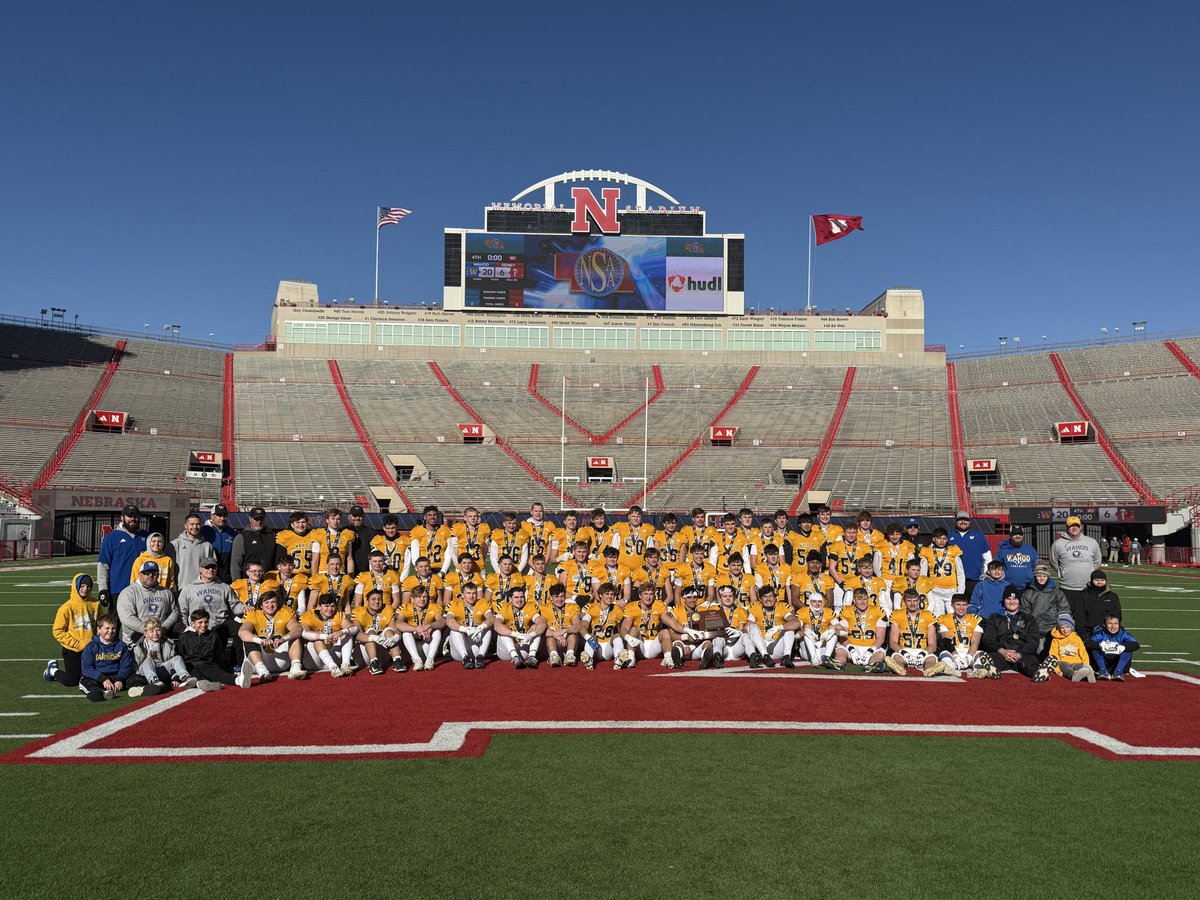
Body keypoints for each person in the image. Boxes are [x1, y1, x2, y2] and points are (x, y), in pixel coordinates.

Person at [177, 555, 243, 664]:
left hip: (221, 623)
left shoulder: (224, 586)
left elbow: (234, 606)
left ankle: (237, 663)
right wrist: (187, 627)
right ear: (200, 569)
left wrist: (245, 608)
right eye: (207, 567)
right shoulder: (189, 587)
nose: (210, 570)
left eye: (213, 567)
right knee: (214, 661)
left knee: (240, 630)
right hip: (199, 625)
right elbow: (182, 610)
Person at [129, 616, 218, 695]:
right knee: (149, 660)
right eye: (151, 631)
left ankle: (185, 678)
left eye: (158, 630)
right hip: (145, 672)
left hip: (162, 669)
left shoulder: (168, 643)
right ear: (145, 633)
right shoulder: (139, 646)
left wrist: (175, 678)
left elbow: (173, 664)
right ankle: (153, 681)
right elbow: (136, 666)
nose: (155, 633)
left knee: (177, 658)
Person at [44, 574, 101, 688]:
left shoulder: (96, 604)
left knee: (97, 676)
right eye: (82, 585)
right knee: (72, 681)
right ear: (76, 586)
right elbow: (57, 631)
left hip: (92, 648)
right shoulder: (66, 608)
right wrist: (77, 644)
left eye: (88, 586)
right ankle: (53, 670)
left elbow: (101, 625)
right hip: (73, 650)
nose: (85, 589)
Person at [238, 590, 307, 683]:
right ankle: (261, 670)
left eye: (273, 602)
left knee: (295, 636)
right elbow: (242, 632)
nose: (270, 605)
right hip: (260, 658)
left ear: (278, 604)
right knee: (249, 639)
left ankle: (295, 667)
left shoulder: (284, 612)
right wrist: (260, 641)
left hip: (280, 657)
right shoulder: (253, 614)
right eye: (266, 602)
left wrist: (283, 639)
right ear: (261, 606)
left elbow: (298, 629)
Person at [977, 588, 1040, 678]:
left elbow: (1033, 642)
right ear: (1003, 601)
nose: (1012, 602)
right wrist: (1002, 651)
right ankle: (991, 670)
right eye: (1008, 599)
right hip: (1001, 655)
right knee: (990, 657)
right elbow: (988, 639)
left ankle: (1038, 673)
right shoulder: (994, 617)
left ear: (1019, 601)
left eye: (1015, 599)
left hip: (1022, 655)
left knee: (1030, 661)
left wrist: (1019, 655)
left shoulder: (1029, 619)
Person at [885, 589, 950, 676]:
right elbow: (893, 643)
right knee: (897, 658)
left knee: (931, 659)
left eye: (915, 601)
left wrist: (923, 654)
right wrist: (904, 653)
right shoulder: (897, 614)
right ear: (904, 602)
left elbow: (933, 645)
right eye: (909, 601)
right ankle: (899, 669)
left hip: (922, 651)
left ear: (919, 601)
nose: (912, 604)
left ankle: (929, 670)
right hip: (903, 651)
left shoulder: (928, 615)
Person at [1049, 516, 1103, 617]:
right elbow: (1053, 563)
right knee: (1068, 619)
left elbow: (1097, 562)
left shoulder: (1092, 542)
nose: (1074, 528)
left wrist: (1089, 571)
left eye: (1076, 525)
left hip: (1088, 588)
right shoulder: (1057, 544)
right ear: (1066, 527)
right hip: (1067, 588)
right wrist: (1063, 572)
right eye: (1071, 526)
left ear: (1081, 527)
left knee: (1088, 618)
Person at [96, 504, 148, 606]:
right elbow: (103, 566)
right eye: (129, 516)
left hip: (142, 590)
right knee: (116, 621)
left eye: (135, 516)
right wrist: (103, 589)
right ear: (122, 517)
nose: (132, 519)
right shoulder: (111, 537)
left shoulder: (148, 537)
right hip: (117, 590)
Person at [116, 560, 178, 643]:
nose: (151, 575)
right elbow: (127, 618)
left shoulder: (166, 592)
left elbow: (174, 611)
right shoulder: (128, 593)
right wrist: (149, 631)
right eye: (147, 572)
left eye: (154, 573)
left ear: (158, 575)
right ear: (140, 574)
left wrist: (165, 627)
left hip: (161, 637)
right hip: (136, 640)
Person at [829, 587, 887, 672]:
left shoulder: (877, 610)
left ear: (868, 599)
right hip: (851, 645)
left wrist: (870, 651)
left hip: (871, 646)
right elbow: (843, 634)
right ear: (854, 600)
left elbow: (880, 638)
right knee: (840, 652)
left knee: (879, 654)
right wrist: (851, 650)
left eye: (865, 599)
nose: (862, 602)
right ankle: (838, 663)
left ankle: (873, 666)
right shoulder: (847, 611)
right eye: (859, 599)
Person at [78, 614, 134, 701]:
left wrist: (120, 679)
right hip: (98, 678)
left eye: (113, 628)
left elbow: (126, 666)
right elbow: (87, 668)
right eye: (107, 628)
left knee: (135, 678)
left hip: (116, 677)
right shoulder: (91, 646)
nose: (110, 631)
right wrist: (103, 679)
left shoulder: (121, 645)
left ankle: (139, 689)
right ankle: (97, 693)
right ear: (98, 630)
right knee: (88, 682)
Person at [300, 594, 359, 676]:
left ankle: (345, 665)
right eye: (326, 606)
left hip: (332, 654)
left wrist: (341, 632)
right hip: (313, 660)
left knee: (347, 634)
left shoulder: (337, 615)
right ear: (319, 606)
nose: (330, 609)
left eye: (332, 606)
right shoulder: (309, 615)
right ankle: (333, 668)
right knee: (317, 640)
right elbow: (304, 633)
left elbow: (355, 629)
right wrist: (325, 637)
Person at [179, 609, 239, 687]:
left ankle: (237, 680)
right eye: (200, 622)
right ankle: (209, 683)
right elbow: (180, 654)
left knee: (213, 670)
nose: (204, 625)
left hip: (208, 664)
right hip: (191, 665)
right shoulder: (184, 637)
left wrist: (221, 667)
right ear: (192, 624)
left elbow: (218, 654)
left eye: (206, 622)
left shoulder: (213, 635)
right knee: (193, 671)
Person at [351, 588, 403, 675]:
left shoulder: (388, 609)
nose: (377, 602)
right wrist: (375, 638)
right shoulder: (358, 611)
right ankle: (373, 663)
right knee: (371, 631)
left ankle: (397, 660)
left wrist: (396, 637)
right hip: (363, 653)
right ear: (367, 601)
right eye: (373, 599)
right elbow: (358, 635)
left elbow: (395, 629)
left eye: (379, 599)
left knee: (389, 631)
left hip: (383, 653)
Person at [491, 586, 543, 670]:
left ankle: (531, 657)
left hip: (524, 648)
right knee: (503, 631)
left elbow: (542, 624)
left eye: (521, 597)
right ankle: (515, 657)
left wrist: (531, 635)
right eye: (516, 597)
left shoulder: (530, 607)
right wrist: (516, 634)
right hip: (507, 651)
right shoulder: (504, 607)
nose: (519, 600)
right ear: (510, 599)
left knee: (537, 628)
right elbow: (497, 626)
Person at [395, 584, 445, 671]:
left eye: (424, 596)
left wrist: (429, 626)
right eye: (418, 597)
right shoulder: (405, 607)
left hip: (427, 645)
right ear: (412, 599)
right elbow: (399, 623)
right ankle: (417, 660)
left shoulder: (433, 607)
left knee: (437, 631)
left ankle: (430, 660)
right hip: (411, 648)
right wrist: (416, 629)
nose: (422, 599)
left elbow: (442, 621)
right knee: (406, 633)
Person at [619, 582, 668, 668]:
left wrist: (687, 630)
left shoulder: (659, 605)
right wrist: (628, 638)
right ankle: (631, 658)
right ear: (640, 595)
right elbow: (624, 629)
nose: (648, 597)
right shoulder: (631, 607)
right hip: (639, 645)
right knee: (634, 630)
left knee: (665, 632)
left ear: (654, 596)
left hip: (654, 645)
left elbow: (672, 623)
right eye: (645, 594)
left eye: (651, 594)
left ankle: (668, 658)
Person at [936, 594, 986, 677]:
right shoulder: (944, 619)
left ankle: (978, 670)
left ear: (968, 606)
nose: (961, 608)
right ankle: (950, 669)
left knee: (982, 655)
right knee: (944, 654)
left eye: (964, 605)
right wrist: (955, 656)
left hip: (969, 651)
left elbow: (975, 641)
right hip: (952, 651)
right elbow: (946, 640)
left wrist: (969, 657)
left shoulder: (975, 619)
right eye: (958, 604)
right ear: (952, 606)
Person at [919, 527, 965, 617]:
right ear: (933, 539)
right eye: (939, 538)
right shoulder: (927, 551)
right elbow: (923, 575)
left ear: (947, 539)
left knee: (954, 617)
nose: (941, 541)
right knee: (938, 618)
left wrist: (960, 591)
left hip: (952, 591)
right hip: (935, 591)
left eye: (944, 538)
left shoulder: (953, 550)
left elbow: (960, 572)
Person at [1020, 563, 1070, 644]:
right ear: (1035, 577)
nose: (1042, 578)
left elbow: (1064, 611)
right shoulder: (1028, 593)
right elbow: (1025, 613)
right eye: (1039, 576)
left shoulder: (1057, 593)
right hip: (1035, 629)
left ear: (1048, 577)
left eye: (1045, 576)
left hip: (1053, 629)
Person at [1037, 614, 1095, 683]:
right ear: (1059, 628)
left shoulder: (1077, 638)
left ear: (1071, 627)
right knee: (1066, 668)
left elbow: (1083, 652)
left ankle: (1089, 675)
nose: (1065, 630)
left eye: (1067, 627)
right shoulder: (1056, 640)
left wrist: (1086, 664)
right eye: (1062, 627)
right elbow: (1053, 655)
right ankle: (1073, 675)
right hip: (1063, 663)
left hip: (1076, 662)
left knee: (1086, 667)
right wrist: (1057, 670)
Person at [947, 511, 991, 599]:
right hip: (954, 580)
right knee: (956, 606)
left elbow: (987, 556)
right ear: (956, 521)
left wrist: (986, 572)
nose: (963, 522)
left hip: (974, 578)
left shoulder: (978, 535)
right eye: (960, 519)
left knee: (974, 605)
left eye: (966, 520)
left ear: (970, 521)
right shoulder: (948, 535)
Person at [1086, 613, 1140, 681]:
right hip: (1103, 663)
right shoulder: (1101, 633)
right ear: (1104, 625)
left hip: (1118, 664)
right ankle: (1103, 672)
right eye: (1110, 623)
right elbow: (1088, 643)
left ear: (1119, 624)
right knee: (1095, 649)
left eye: (1116, 623)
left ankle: (1118, 673)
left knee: (1127, 650)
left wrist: (1123, 647)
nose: (1113, 626)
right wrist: (1099, 645)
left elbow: (1136, 644)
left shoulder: (1123, 634)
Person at [541, 583, 582, 667]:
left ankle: (570, 656)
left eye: (562, 596)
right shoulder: (543, 608)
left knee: (572, 631)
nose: (560, 599)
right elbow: (541, 628)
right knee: (550, 633)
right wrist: (556, 634)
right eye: (556, 596)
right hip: (550, 645)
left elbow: (578, 626)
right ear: (551, 597)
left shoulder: (572, 607)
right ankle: (554, 656)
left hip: (568, 644)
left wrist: (564, 630)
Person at [231, 506, 277, 581]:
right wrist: (237, 582)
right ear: (250, 519)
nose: (259, 522)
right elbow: (235, 563)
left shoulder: (272, 536)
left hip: (269, 581)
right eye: (256, 519)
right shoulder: (241, 537)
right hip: (248, 582)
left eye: (261, 519)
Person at [1077, 570, 1123, 641]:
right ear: (1092, 581)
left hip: (1108, 632)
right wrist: (1083, 635)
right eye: (1096, 580)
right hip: (1088, 633)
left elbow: (1117, 615)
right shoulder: (1084, 595)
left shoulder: (1113, 596)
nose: (1099, 582)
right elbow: (1079, 616)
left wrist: (1112, 629)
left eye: (1102, 580)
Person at [308, 507, 355, 577]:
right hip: (323, 572)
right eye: (333, 519)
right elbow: (315, 560)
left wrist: (350, 578)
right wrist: (315, 578)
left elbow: (349, 559)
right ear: (327, 520)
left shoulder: (347, 535)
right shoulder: (319, 534)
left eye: (338, 519)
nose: (335, 521)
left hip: (340, 572)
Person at [172, 513, 213, 589]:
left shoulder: (208, 546)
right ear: (185, 526)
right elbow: (169, 569)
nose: (195, 527)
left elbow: (213, 568)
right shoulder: (175, 545)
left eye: (197, 524)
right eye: (192, 524)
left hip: (202, 588)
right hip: (181, 588)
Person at [410, 504, 454, 575]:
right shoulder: (417, 531)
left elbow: (449, 553)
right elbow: (415, 555)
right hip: (424, 570)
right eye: (429, 515)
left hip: (441, 568)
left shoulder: (445, 530)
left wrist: (443, 571)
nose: (432, 517)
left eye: (434, 515)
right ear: (425, 517)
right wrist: (422, 569)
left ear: (438, 516)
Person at [200, 503, 237, 583]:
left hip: (227, 576)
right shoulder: (203, 531)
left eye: (224, 515)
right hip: (208, 575)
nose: (222, 518)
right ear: (212, 516)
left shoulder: (232, 533)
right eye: (219, 515)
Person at [994, 525, 1038, 591]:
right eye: (1015, 534)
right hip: (1007, 588)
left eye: (1020, 534)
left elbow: (1036, 568)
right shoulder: (1002, 550)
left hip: (1028, 588)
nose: (1018, 536)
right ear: (1010, 535)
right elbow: (996, 569)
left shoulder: (1030, 550)